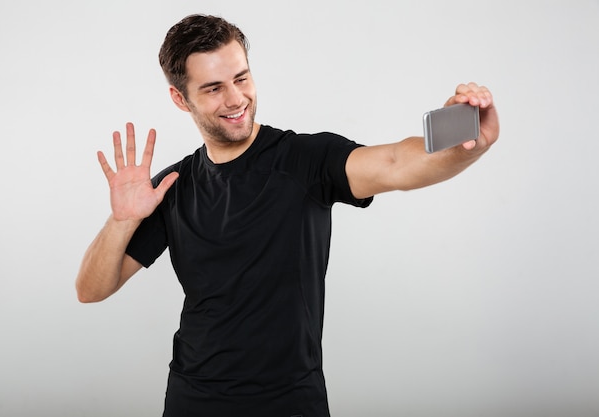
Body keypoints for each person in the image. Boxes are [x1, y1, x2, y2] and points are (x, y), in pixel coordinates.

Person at [76, 14, 499, 417]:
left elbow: (395, 163)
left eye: (241, 78)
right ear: (179, 98)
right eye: (213, 88)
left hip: (290, 401)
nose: (236, 98)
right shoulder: (171, 186)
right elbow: (91, 289)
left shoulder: (305, 160)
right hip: (193, 399)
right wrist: (122, 220)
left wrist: (465, 143)